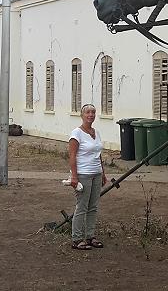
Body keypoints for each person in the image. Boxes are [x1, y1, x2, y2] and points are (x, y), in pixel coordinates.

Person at [68, 103, 108, 250]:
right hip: (83, 174)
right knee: (82, 206)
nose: (90, 115)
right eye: (87, 112)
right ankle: (77, 238)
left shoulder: (96, 132)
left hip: (96, 173)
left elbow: (98, 155)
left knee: (93, 207)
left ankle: (90, 236)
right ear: (82, 115)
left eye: (93, 112)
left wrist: (103, 173)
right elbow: (72, 155)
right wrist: (74, 177)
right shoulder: (76, 133)